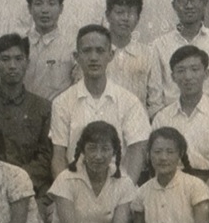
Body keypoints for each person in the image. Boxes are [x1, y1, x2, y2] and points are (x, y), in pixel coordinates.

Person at [49, 25, 154, 180]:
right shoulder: (62, 103)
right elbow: (58, 156)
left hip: (118, 185)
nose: (93, 57)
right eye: (87, 51)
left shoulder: (129, 102)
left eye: (100, 51)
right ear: (77, 56)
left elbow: (137, 150)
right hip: (75, 186)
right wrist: (67, 190)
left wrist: (124, 191)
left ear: (111, 55)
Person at [153, 46, 209, 180]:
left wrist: (204, 190)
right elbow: (157, 163)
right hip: (171, 182)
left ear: (206, 73)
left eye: (194, 69)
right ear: (173, 77)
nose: (188, 77)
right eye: (181, 71)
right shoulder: (162, 117)